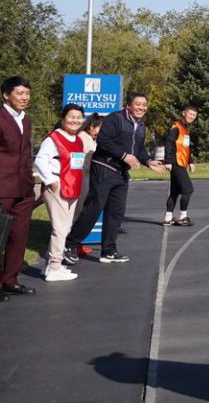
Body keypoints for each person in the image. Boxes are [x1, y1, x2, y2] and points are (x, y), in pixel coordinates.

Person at [66, 93, 166, 264]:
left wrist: (149, 161)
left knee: (116, 211)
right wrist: (124, 155)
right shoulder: (115, 118)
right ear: (129, 106)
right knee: (94, 207)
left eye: (144, 105)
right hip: (104, 167)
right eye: (138, 104)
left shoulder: (141, 126)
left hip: (121, 172)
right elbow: (103, 140)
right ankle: (70, 244)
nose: (142, 107)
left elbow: (140, 149)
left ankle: (109, 251)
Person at [0, 77, 40, 302]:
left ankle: (10, 280)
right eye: (20, 93)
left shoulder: (26, 120)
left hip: (24, 189)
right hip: (0, 189)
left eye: (27, 93)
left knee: (19, 237)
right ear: (6, 95)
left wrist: (31, 184)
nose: (25, 98)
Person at [34, 103, 88, 283]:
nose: (75, 120)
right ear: (63, 118)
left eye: (79, 117)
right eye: (71, 117)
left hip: (73, 188)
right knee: (60, 228)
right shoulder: (54, 138)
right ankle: (55, 266)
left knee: (65, 227)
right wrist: (51, 181)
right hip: (58, 188)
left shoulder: (78, 140)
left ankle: (50, 265)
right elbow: (40, 160)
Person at [62, 114, 103, 266]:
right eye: (100, 127)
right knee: (77, 212)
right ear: (91, 126)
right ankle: (68, 245)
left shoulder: (91, 139)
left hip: (88, 177)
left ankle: (76, 243)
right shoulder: (82, 138)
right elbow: (76, 160)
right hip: (81, 178)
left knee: (82, 211)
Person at [162, 106, 198, 226]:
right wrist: (168, 161)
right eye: (190, 114)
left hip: (182, 162)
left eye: (194, 115)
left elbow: (186, 147)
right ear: (183, 113)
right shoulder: (176, 126)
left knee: (175, 190)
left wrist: (190, 161)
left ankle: (168, 218)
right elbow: (169, 143)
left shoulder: (186, 129)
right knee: (188, 189)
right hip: (175, 162)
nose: (192, 117)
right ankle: (183, 216)